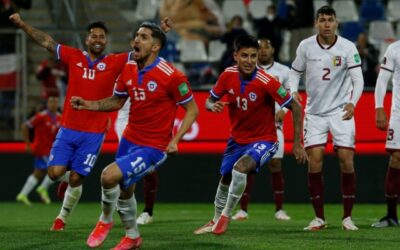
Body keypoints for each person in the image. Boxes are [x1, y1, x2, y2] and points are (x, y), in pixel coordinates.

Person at [71, 22, 198, 249]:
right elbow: (117, 101)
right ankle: (132, 237)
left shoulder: (171, 75)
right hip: (130, 138)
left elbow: (192, 110)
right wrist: (87, 104)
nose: (137, 40)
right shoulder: (128, 68)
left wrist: (175, 140)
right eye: (137, 36)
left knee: (108, 176)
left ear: (156, 46)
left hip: (154, 146)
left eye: (144, 37)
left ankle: (104, 220)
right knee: (125, 189)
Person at [9, 13, 134, 231]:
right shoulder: (74, 56)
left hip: (94, 133)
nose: (97, 39)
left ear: (106, 41)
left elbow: (141, 53)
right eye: (93, 35)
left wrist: (161, 34)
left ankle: (61, 219)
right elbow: (47, 42)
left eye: (101, 36)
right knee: (54, 173)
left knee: (77, 178)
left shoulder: (115, 61)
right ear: (87, 40)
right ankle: (64, 181)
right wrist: (22, 24)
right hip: (68, 129)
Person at [194, 35, 307, 236]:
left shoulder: (267, 81)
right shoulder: (227, 75)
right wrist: (213, 106)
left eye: (253, 56)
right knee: (225, 177)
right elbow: (208, 101)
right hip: (237, 140)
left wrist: (297, 143)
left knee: (240, 169)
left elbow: (296, 107)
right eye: (244, 55)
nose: (249, 60)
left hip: (265, 139)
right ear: (235, 56)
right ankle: (215, 219)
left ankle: (226, 217)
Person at [289, 6, 364, 231]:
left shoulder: (348, 47)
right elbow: (294, 72)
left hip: (341, 110)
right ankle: (319, 218)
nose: (327, 24)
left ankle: (347, 217)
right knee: (315, 162)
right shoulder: (306, 46)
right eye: (322, 20)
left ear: (336, 22)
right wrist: (293, 90)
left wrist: (353, 103)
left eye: (330, 20)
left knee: (346, 160)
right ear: (316, 23)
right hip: (314, 112)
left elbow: (358, 80)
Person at [232, 38, 291, 221]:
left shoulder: (283, 71)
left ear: (273, 49)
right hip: (251, 127)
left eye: (268, 46)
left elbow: (291, 95)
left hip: (274, 127)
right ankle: (242, 209)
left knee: (276, 165)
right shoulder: (246, 71)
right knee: (246, 166)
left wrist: (284, 110)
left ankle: (279, 209)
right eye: (261, 47)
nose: (264, 50)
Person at [372, 40, 400, 228]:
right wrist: (379, 107)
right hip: (399, 114)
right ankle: (391, 215)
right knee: (396, 158)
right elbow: (382, 79)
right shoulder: (394, 48)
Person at [16, 96, 61, 205]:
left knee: (38, 173)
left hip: (51, 149)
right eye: (50, 102)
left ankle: (22, 195)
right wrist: (27, 143)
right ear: (47, 104)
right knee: (55, 170)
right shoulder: (41, 116)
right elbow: (25, 126)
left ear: (58, 103)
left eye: (55, 101)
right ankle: (43, 188)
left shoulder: (60, 117)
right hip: (41, 149)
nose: (53, 104)